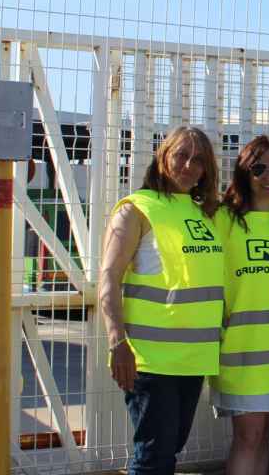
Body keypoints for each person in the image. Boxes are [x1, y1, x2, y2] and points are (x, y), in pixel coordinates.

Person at [98, 126, 225, 475]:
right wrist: (117, 342)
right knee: (154, 457)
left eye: (198, 160)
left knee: (169, 450)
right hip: (152, 360)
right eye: (181, 155)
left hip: (194, 357)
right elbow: (108, 277)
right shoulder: (137, 209)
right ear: (163, 157)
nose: (188, 166)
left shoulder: (207, 213)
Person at [212, 136, 269, 475]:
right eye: (259, 168)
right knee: (248, 440)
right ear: (244, 173)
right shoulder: (224, 220)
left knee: (263, 439)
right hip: (241, 354)